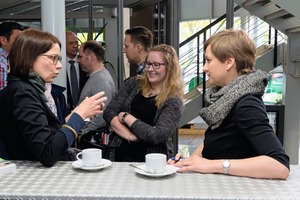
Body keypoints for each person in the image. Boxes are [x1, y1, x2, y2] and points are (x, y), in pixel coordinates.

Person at [168, 29, 290, 180]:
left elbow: (280, 166)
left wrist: (210, 165)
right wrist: (190, 162)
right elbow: (219, 141)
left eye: (209, 60)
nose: (204, 68)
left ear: (228, 62)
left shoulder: (246, 105)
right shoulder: (226, 99)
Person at [0, 28, 107, 167]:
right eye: (53, 58)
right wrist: (79, 116)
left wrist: (77, 114)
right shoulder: (22, 93)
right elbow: (48, 153)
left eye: (59, 59)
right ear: (30, 58)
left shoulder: (25, 88)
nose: (59, 65)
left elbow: (46, 135)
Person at [103, 44, 184, 162]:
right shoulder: (133, 83)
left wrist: (126, 117)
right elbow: (109, 112)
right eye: (148, 64)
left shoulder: (174, 100)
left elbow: (157, 136)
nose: (150, 69)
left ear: (170, 67)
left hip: (152, 162)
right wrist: (130, 136)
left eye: (156, 65)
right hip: (119, 155)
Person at [77, 40, 115, 135]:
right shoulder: (97, 77)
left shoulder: (102, 81)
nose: (78, 60)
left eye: (80, 56)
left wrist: (82, 133)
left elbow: (102, 117)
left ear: (91, 57)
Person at [66, 31, 88, 110]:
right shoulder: (59, 66)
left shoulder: (85, 63)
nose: (75, 46)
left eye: (76, 42)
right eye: (71, 43)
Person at [0, 21, 24, 90]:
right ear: (3, 40)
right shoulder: (2, 63)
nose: (22, 43)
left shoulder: (16, 58)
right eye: (18, 39)